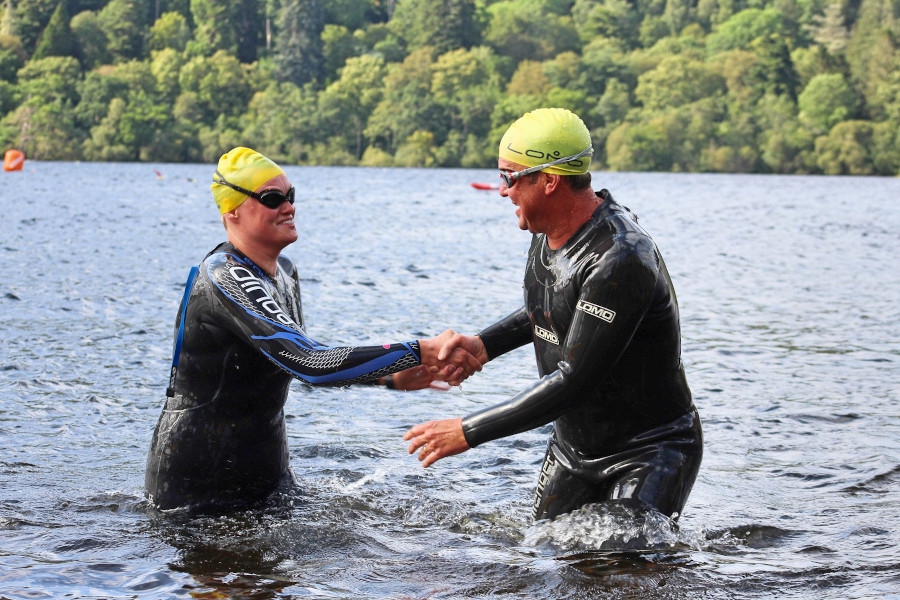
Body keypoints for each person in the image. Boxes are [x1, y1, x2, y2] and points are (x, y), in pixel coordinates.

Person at [404, 108, 702, 522]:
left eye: (509, 177)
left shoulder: (620, 256)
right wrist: (484, 345)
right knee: (548, 562)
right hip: (572, 446)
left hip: (649, 449)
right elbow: (552, 306)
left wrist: (468, 431)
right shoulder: (547, 231)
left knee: (623, 570)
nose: (502, 190)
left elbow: (574, 381)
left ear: (549, 181)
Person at [145, 147, 479, 512]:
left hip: (266, 472)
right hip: (194, 483)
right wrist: (417, 349)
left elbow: (291, 359)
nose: (288, 208)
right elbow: (309, 363)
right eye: (272, 199)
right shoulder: (224, 276)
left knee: (280, 571)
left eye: (290, 197)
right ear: (233, 212)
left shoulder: (285, 273)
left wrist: (389, 378)